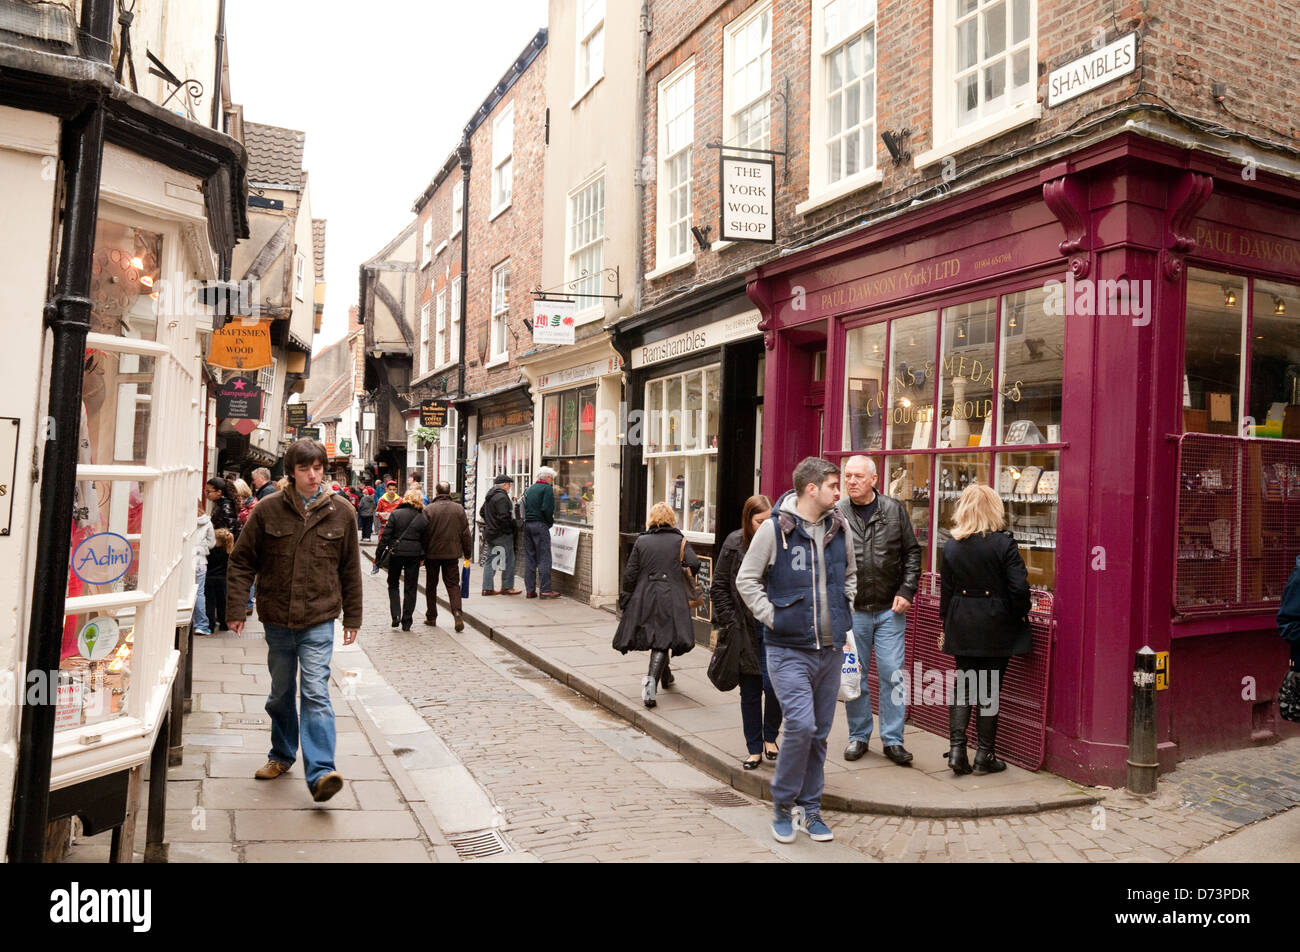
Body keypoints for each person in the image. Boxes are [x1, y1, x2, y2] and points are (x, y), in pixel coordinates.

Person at [226, 438, 363, 803]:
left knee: (315, 691)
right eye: (305, 468)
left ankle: (321, 773)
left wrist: (354, 617)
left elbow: (351, 570)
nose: (313, 475)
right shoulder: (267, 510)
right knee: (281, 693)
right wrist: (236, 608)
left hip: (319, 618)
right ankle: (282, 754)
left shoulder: (343, 512)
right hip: (277, 618)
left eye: (318, 468)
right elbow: (242, 561)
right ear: (291, 472)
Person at [736, 457, 856, 845]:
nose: (840, 491)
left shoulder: (840, 528)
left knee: (819, 733)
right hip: (787, 649)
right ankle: (783, 805)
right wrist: (773, 618)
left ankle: (811, 808)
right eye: (834, 485)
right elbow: (746, 579)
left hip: (830, 648)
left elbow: (851, 576)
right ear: (811, 489)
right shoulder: (774, 530)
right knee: (801, 725)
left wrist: (845, 609)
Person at [939, 483, 1031, 776]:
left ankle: (956, 750)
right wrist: (1019, 615)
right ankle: (984, 755)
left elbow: (947, 591)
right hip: (996, 624)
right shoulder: (1004, 544)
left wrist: (947, 624)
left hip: (961, 623)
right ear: (994, 509)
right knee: (989, 690)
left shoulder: (951, 545)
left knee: (964, 687)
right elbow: (1020, 590)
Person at [837, 455, 922, 766]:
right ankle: (858, 736)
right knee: (853, 676)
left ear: (874, 479)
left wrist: (907, 590)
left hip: (889, 609)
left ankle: (893, 739)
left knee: (892, 674)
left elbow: (912, 552)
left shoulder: (893, 509)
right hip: (853, 611)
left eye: (858, 476)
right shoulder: (837, 513)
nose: (851, 481)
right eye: (848, 476)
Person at [712, 493, 782, 769]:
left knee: (774, 686)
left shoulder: (781, 543)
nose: (764, 527)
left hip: (773, 628)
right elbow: (718, 587)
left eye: (768, 521)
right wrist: (730, 620)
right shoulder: (733, 543)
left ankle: (770, 736)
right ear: (747, 520)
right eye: (758, 522)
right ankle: (754, 747)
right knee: (750, 690)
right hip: (743, 629)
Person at [613, 502, 700, 709]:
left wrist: (625, 599)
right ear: (671, 519)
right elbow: (694, 563)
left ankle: (666, 676)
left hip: (645, 595)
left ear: (651, 519)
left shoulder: (642, 541)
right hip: (671, 595)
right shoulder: (679, 540)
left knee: (661, 636)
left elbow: (630, 574)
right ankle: (650, 689)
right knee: (662, 638)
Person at [422, 480, 472, 631]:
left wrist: (422, 555)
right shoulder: (458, 509)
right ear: (449, 493)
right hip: (452, 554)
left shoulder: (428, 509)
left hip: (432, 554)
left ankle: (431, 617)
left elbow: (423, 534)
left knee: (431, 586)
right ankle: (457, 612)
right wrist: (467, 554)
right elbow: (465, 534)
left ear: (437, 493)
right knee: (453, 585)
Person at [376, 489, 429, 631]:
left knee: (393, 583)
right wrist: (423, 557)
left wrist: (378, 556)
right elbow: (426, 540)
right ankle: (407, 621)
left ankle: (395, 615)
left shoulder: (396, 514)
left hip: (396, 553)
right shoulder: (423, 517)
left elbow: (386, 537)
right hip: (414, 555)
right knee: (411, 587)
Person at [479, 473, 521, 596]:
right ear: (504, 485)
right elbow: (504, 517)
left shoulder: (490, 495)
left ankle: (487, 588)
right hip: (501, 534)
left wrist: (490, 523)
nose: (509, 487)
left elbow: (482, 512)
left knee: (491, 560)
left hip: (491, 533)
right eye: (509, 485)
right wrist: (509, 528)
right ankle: (507, 587)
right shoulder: (502, 497)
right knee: (509, 560)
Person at [522, 466, 560, 599]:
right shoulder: (547, 489)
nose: (552, 481)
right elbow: (547, 509)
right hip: (540, 524)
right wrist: (549, 522)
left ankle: (530, 590)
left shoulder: (530, 489)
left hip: (527, 525)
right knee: (544, 557)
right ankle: (545, 590)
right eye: (552, 478)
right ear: (548, 477)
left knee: (530, 558)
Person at [192, 500, 215, 636]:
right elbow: (212, 543)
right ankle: (201, 624)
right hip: (200, 562)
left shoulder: (185, 520)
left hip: (187, 560)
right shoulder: (207, 522)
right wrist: (203, 546)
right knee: (199, 592)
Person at [206, 529, 234, 632]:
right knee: (222, 602)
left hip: (209, 578)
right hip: (223, 580)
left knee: (210, 602)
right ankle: (223, 624)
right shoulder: (228, 552)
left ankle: (210, 624)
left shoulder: (209, 550)